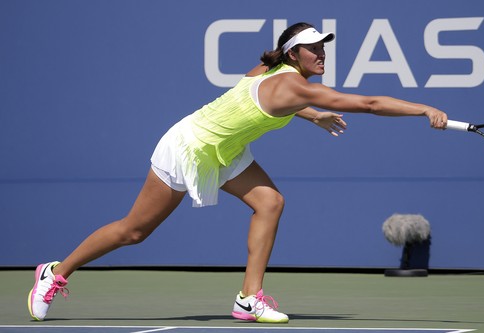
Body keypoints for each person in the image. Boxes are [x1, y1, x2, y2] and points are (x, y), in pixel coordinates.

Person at [27, 22, 448, 324]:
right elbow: (370, 104)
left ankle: (249, 298)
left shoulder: (270, 73)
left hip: (225, 150)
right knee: (134, 231)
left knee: (269, 202)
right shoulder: (293, 84)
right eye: (312, 48)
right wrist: (424, 109)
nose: (321, 53)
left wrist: (313, 115)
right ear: (292, 54)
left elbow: (269, 101)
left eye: (323, 47)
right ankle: (55, 272)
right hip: (189, 146)